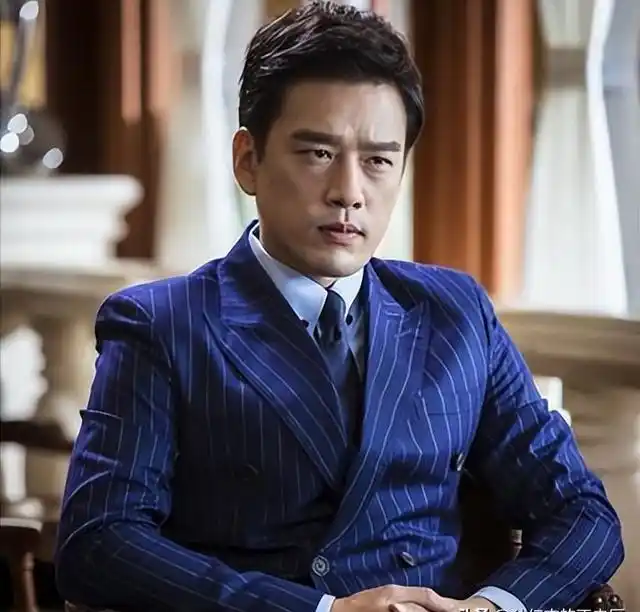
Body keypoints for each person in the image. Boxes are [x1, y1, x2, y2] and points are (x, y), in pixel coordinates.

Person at [54, 2, 623, 611]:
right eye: (318, 154)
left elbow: (582, 512)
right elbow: (99, 543)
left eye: (378, 160)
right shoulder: (161, 324)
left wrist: (492, 607)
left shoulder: (455, 313)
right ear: (248, 160)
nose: (349, 192)